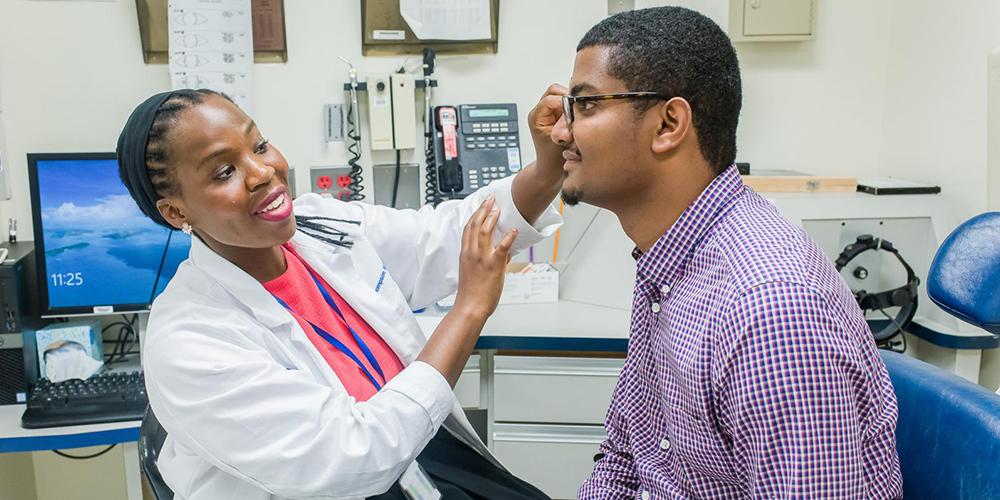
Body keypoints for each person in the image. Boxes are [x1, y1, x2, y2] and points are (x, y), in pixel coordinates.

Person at [528, 7, 903, 498]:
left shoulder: (771, 309)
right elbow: (625, 457)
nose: (559, 133)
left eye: (587, 106)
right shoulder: (670, 262)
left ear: (668, 124)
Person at [116, 89, 564, 499]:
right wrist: (468, 311)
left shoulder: (320, 228)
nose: (263, 172)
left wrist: (546, 171)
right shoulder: (189, 338)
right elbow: (354, 457)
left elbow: (442, 236)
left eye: (258, 145)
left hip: (419, 460)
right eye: (224, 171)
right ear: (176, 212)